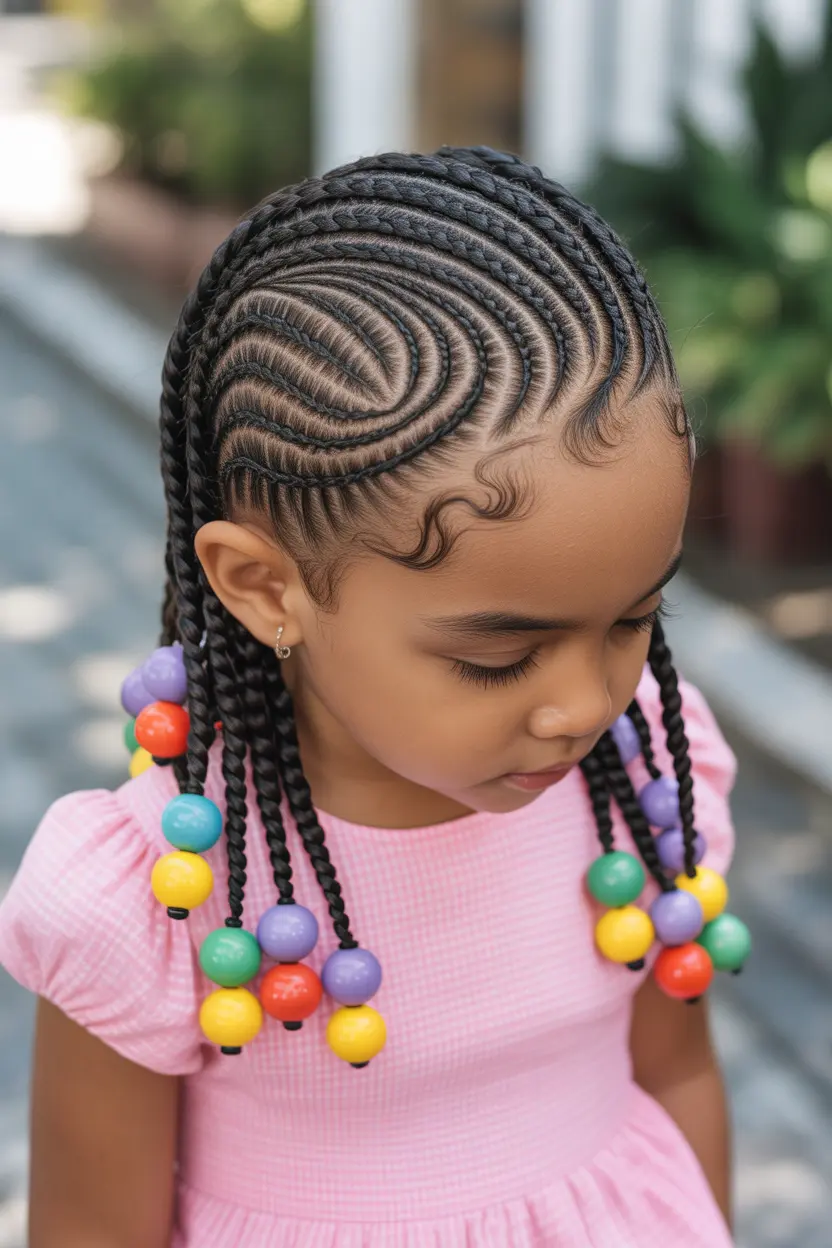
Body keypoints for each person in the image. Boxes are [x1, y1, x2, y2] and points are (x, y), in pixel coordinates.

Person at [0, 146, 749, 1248]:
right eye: (499, 659)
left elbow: (679, 1079)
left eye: (637, 618)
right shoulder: (166, 898)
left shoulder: (640, 790)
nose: (583, 704)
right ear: (267, 589)